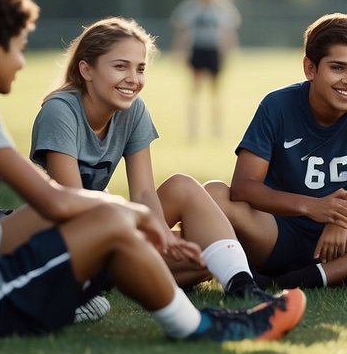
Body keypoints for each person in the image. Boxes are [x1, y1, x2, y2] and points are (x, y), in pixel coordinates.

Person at [0, 0, 305, 340]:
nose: (21, 60)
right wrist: (136, 217)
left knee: (118, 220)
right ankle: (203, 327)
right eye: (19, 46)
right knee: (106, 218)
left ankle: (222, 290)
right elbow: (52, 200)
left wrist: (138, 219)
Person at [30, 16, 276, 302]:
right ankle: (117, 273)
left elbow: (145, 192)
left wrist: (163, 237)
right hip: (66, 237)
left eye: (140, 68)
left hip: (110, 227)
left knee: (187, 203)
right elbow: (70, 202)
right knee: (202, 256)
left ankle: (244, 288)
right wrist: (142, 230)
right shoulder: (60, 111)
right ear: (86, 69)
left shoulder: (132, 110)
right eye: (120, 66)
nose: (133, 79)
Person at [205, 13, 347, 290]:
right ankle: (253, 269)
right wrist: (312, 207)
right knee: (214, 194)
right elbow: (243, 187)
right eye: (338, 68)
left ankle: (314, 278)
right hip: (274, 232)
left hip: (337, 239)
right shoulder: (277, 105)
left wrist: (345, 216)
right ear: (310, 68)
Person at [171, 0, 241, 139]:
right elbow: (182, 30)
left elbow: (229, 33)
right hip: (197, 50)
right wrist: (179, 51)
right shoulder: (191, 7)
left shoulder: (223, 9)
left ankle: (216, 128)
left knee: (216, 92)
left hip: (214, 52)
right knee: (194, 91)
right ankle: (192, 128)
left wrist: (229, 52)